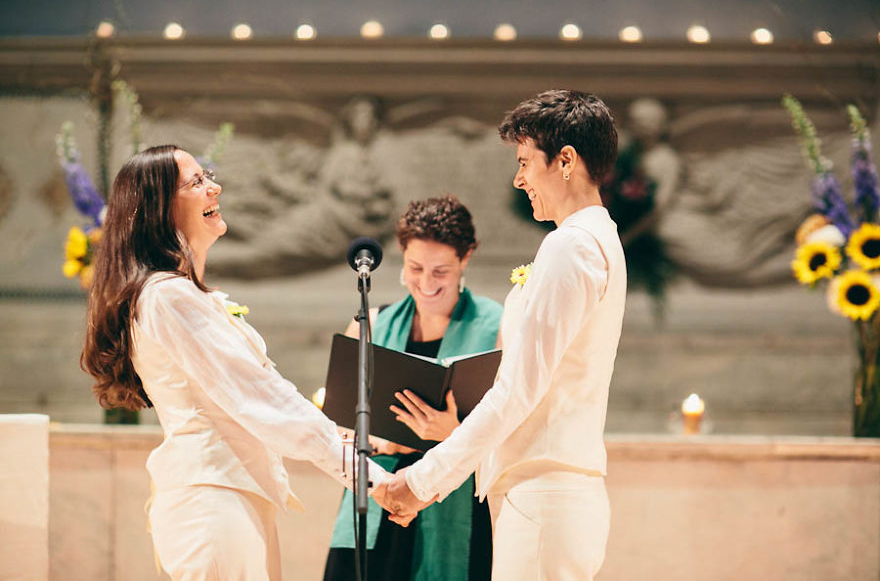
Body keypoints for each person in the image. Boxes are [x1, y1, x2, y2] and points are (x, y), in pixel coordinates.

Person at [80, 145, 389, 580]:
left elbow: (264, 392)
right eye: (196, 183)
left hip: (234, 493)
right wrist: (368, 477)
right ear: (159, 210)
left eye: (207, 176)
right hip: (213, 501)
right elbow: (263, 400)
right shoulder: (169, 297)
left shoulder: (184, 295)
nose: (214, 187)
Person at [377, 90, 626, 580]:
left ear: (566, 160)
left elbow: (516, 391)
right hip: (552, 497)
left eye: (525, 162)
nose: (519, 179)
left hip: (543, 494)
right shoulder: (600, 238)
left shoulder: (571, 245)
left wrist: (424, 480)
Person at [324, 195, 502, 581]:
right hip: (376, 500)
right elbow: (334, 431)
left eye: (441, 271)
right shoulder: (369, 323)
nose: (425, 283)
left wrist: (452, 434)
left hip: (452, 506)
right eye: (415, 267)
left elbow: (512, 436)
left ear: (465, 258)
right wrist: (380, 443)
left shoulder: (497, 327)